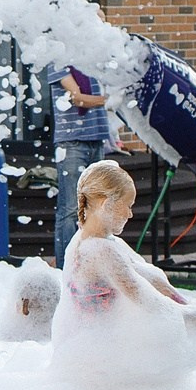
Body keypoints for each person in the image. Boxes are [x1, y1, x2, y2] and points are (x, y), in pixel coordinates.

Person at [51, 159, 196, 390]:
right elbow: (149, 303)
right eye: (127, 206)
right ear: (106, 204)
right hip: (95, 372)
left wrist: (182, 302)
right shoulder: (100, 251)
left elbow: (151, 278)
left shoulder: (97, 241)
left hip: (95, 355)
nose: (130, 214)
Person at [48, 62, 116, 263]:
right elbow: (77, 98)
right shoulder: (57, 61)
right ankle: (66, 266)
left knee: (97, 207)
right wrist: (111, 101)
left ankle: (91, 263)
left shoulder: (91, 60)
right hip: (72, 143)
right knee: (71, 208)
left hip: (96, 139)